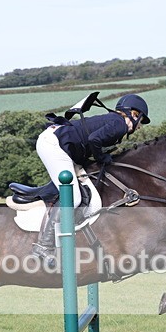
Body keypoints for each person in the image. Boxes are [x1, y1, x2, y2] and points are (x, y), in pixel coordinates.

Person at [32, 93, 150, 264]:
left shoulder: (114, 121)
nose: (139, 127)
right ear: (134, 114)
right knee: (73, 197)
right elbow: (94, 139)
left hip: (59, 143)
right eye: (141, 121)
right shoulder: (119, 125)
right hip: (54, 145)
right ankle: (44, 245)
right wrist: (101, 158)